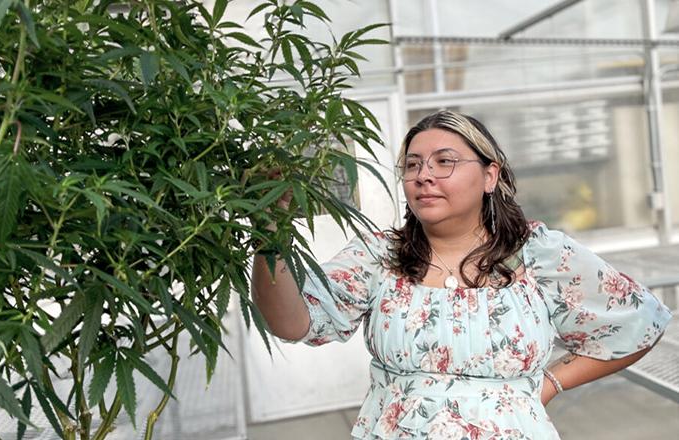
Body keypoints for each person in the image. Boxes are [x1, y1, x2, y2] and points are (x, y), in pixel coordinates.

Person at [251, 109, 673, 439]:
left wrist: (547, 385)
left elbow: (638, 321)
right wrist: (269, 230)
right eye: (412, 165)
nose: (424, 176)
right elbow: (291, 323)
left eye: (444, 162)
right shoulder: (380, 255)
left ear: (490, 175)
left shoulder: (537, 255)